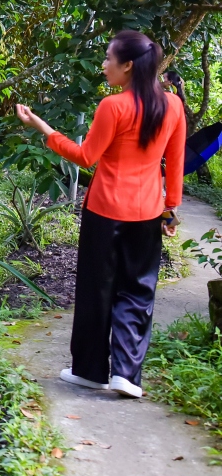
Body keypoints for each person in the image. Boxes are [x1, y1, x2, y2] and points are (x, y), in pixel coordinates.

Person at [16, 30, 185, 399]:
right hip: (147, 211)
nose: (104, 65)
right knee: (139, 290)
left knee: (97, 289)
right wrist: (170, 208)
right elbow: (175, 160)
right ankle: (127, 374)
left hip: (105, 210)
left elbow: (85, 157)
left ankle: (91, 371)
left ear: (128, 66)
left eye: (109, 59)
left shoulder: (114, 106)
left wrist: (41, 126)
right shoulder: (172, 105)